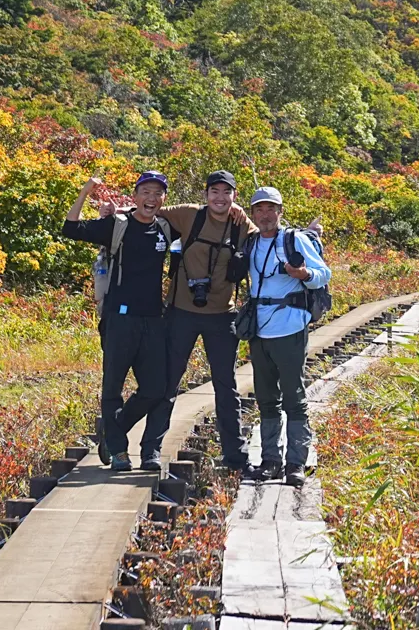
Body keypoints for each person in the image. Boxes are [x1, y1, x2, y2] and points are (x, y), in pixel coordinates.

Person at [139, 170, 253, 474]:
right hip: (181, 313)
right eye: (214, 192)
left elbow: (270, 236)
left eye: (226, 193)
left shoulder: (242, 224)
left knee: (226, 386)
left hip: (222, 316)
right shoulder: (189, 215)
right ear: (205, 195)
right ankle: (150, 450)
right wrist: (110, 211)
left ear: (234, 196)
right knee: (168, 383)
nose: (220, 198)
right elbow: (147, 209)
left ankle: (235, 454)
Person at [63, 172, 178, 472]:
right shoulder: (117, 226)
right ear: (136, 195)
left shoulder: (165, 229)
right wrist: (88, 190)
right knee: (112, 386)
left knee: (155, 388)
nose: (151, 198)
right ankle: (119, 452)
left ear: (164, 199)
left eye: (157, 193)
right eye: (145, 192)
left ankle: (112, 435)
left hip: (153, 319)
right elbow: (70, 227)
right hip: (119, 318)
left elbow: (204, 219)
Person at [240, 186, 332, 487]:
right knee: (266, 398)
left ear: (281, 211)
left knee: (293, 397)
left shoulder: (295, 239)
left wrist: (303, 275)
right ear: (253, 213)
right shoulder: (252, 242)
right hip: (259, 330)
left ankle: (296, 462)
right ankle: (270, 461)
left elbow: (323, 274)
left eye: (271, 209)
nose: (265, 215)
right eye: (260, 209)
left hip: (290, 327)